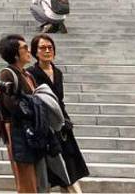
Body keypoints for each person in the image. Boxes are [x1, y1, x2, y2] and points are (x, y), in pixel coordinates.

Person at [28, 35, 89, 191]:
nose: (47, 51)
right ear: (35, 51)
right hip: (45, 127)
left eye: (50, 47)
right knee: (53, 170)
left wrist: (66, 120)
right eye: (42, 48)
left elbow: (59, 101)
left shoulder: (57, 72)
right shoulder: (31, 74)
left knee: (70, 168)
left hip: (62, 125)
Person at [0, 34, 46, 193]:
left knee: (36, 181)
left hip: (32, 131)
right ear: (15, 54)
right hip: (17, 132)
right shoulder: (8, 74)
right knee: (26, 182)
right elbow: (11, 104)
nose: (29, 50)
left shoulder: (28, 74)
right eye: (24, 48)